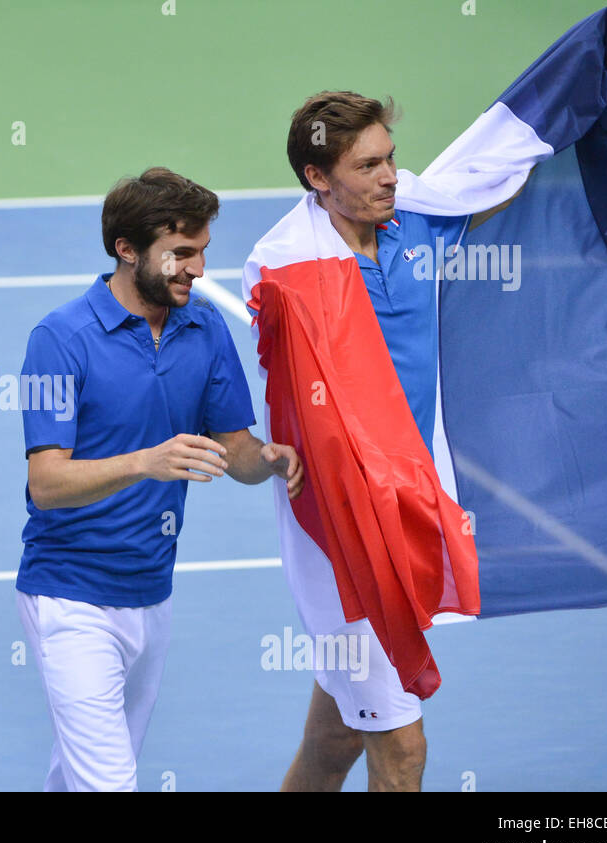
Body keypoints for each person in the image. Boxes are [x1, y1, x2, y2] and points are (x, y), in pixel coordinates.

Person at [255, 91, 512, 792]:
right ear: (317, 178)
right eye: (367, 165)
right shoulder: (285, 269)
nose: (390, 175)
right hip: (342, 536)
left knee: (331, 744)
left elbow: (495, 186)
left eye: (391, 157)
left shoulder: (417, 223)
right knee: (401, 746)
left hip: (408, 505)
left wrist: (566, 116)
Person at [17, 167, 304, 791]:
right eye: (180, 254)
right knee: (110, 783)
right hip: (70, 596)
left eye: (201, 253)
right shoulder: (58, 339)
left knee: (81, 777)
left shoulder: (205, 330)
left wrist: (274, 460)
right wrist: (144, 461)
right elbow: (46, 483)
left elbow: (235, 450)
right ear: (127, 249)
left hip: (152, 593)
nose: (197, 270)